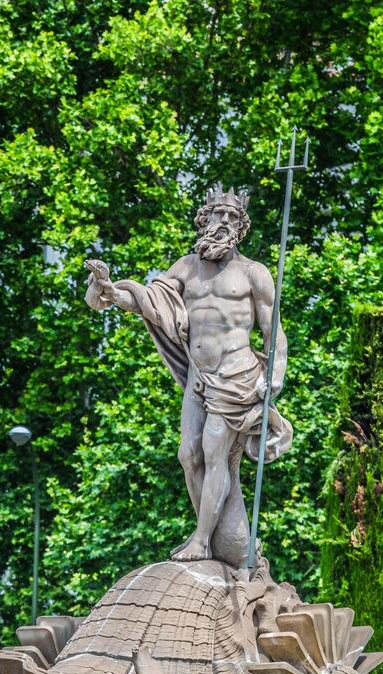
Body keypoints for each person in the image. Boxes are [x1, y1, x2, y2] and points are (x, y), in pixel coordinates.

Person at [85, 186, 292, 567]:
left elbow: (272, 331)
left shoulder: (254, 273)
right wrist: (112, 291)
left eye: (232, 218)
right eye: (217, 215)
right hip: (198, 379)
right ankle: (212, 533)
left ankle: (200, 541)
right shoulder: (185, 268)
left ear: (241, 227)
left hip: (238, 376)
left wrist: (274, 377)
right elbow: (150, 302)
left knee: (215, 450)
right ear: (204, 219)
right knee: (188, 455)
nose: (224, 222)